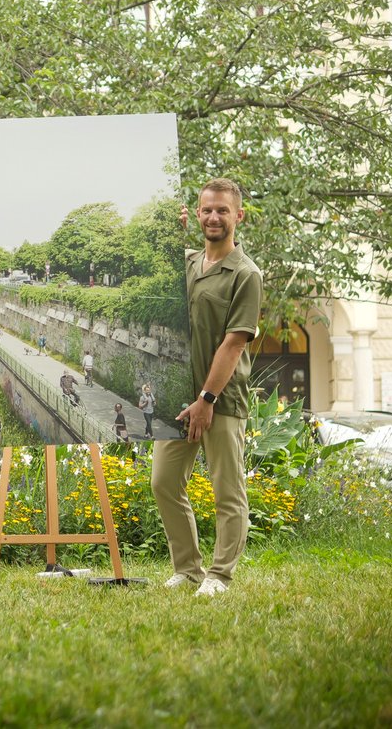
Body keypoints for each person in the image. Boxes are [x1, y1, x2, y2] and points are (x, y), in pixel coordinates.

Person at [152, 178, 262, 598]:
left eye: (222, 210)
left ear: (238, 216)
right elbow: (150, 268)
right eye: (207, 210)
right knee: (164, 481)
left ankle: (219, 576)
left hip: (221, 399)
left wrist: (207, 399)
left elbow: (234, 344)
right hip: (181, 397)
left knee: (227, 491)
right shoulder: (185, 262)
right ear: (197, 214)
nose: (214, 217)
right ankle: (187, 569)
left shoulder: (246, 274)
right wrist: (168, 231)